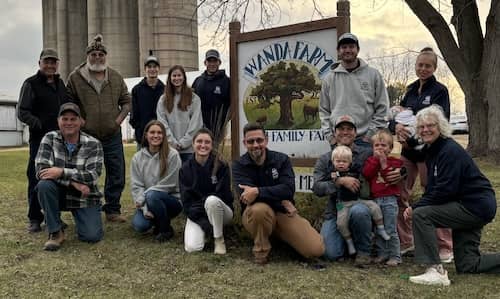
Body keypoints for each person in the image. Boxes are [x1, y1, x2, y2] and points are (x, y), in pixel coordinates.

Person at [404, 105, 500, 286]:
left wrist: (415, 206)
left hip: (474, 206)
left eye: (430, 125)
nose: (426, 130)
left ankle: (435, 270)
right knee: (467, 264)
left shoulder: (449, 150)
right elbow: (434, 188)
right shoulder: (434, 150)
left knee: (421, 214)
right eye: (422, 127)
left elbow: (445, 190)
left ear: (441, 126)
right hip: (473, 206)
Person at [312, 115, 401, 266]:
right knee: (330, 253)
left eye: (349, 129)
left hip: (362, 205)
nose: (345, 132)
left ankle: (363, 252)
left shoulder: (366, 153)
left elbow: (387, 156)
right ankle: (350, 242)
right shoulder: (326, 159)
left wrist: (401, 171)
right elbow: (317, 187)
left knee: (359, 211)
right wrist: (339, 182)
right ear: (334, 133)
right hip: (337, 210)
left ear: (355, 133)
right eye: (341, 129)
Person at [390, 47, 453, 261]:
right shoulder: (409, 90)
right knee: (399, 194)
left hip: (429, 153)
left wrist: (410, 119)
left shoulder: (440, 91)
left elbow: (438, 120)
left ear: (434, 68)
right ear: (416, 66)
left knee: (434, 194)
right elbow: (398, 116)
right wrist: (396, 127)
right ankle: (407, 241)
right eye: (420, 65)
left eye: (428, 65)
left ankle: (444, 246)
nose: (423, 69)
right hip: (408, 153)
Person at [232, 123, 325, 265]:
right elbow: (246, 197)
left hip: (282, 213)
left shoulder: (282, 160)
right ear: (245, 143)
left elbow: (288, 189)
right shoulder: (239, 165)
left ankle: (278, 237)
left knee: (315, 249)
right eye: (250, 141)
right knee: (259, 210)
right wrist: (281, 200)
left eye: (259, 140)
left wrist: (257, 191)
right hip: (256, 215)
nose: (256, 145)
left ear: (266, 140)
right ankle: (261, 252)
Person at [66, 34, 131, 223]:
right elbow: (69, 102)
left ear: (105, 56)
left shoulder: (116, 77)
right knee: (85, 171)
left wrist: (118, 120)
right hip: (86, 136)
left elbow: (126, 101)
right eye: (93, 54)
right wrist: (80, 121)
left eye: (100, 54)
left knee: (116, 171)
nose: (97, 57)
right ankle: (86, 206)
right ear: (88, 56)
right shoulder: (76, 77)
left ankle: (112, 209)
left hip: (112, 134)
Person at [35, 103, 104, 251]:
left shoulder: (94, 144)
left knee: (92, 236)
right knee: (44, 185)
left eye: (73, 119)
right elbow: (41, 170)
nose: (69, 123)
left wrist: (61, 172)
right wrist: (74, 183)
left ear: (81, 122)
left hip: (84, 196)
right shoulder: (49, 138)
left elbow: (92, 175)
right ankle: (55, 232)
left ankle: (84, 218)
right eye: (64, 118)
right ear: (58, 121)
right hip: (59, 193)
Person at [17, 48, 70, 233]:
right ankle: (34, 218)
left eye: (53, 62)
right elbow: (22, 111)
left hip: (59, 141)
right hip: (39, 141)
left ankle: (52, 217)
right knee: (35, 177)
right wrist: (38, 124)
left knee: (55, 178)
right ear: (39, 63)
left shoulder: (61, 84)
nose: (50, 65)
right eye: (46, 61)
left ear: (57, 64)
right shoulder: (30, 84)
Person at [319, 33, 389, 148]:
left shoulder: (373, 75)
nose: (347, 50)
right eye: (344, 47)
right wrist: (331, 138)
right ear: (338, 51)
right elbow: (324, 111)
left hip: (365, 140)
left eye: (351, 47)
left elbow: (383, 108)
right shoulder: (329, 79)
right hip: (339, 140)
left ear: (358, 49)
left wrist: (370, 135)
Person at [180, 128, 233, 254]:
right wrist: (204, 224)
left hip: (222, 210)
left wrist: (203, 203)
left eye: (207, 142)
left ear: (212, 145)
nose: (203, 145)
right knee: (192, 248)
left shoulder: (221, 165)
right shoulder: (185, 169)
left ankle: (219, 239)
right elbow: (187, 202)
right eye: (199, 141)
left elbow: (223, 195)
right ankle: (208, 230)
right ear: (193, 144)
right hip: (197, 214)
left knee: (212, 201)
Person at [331, 145, 390, 256]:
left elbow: (365, 170)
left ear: (350, 162)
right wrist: (340, 180)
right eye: (337, 161)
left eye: (344, 161)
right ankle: (349, 243)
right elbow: (331, 181)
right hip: (343, 204)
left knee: (374, 207)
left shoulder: (355, 169)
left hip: (359, 200)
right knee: (341, 223)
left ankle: (381, 228)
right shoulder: (335, 173)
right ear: (333, 161)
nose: (341, 164)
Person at [130, 120, 182, 242]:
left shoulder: (173, 155)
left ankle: (165, 230)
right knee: (140, 226)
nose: (156, 135)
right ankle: (159, 220)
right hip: (148, 202)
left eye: (159, 132)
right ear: (146, 135)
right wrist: (145, 208)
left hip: (172, 201)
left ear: (164, 135)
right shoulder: (137, 158)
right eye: (152, 132)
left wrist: (145, 196)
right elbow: (136, 186)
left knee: (152, 195)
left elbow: (170, 184)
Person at [362, 129, 403, 266]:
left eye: (383, 145)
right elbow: (367, 174)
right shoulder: (370, 161)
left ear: (390, 148)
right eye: (377, 145)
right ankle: (382, 253)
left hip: (389, 200)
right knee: (379, 228)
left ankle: (395, 255)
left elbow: (390, 177)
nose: (380, 148)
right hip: (376, 200)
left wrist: (384, 163)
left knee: (390, 228)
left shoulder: (395, 162)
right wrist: (375, 160)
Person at [156, 65, 203, 162]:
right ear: (170, 78)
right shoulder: (163, 100)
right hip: (170, 149)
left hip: (189, 150)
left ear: (184, 77)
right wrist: (172, 142)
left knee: (188, 177)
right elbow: (162, 123)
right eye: (174, 76)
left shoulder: (194, 98)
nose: (177, 78)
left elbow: (196, 124)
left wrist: (183, 143)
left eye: (179, 75)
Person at [192, 49, 231, 147]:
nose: (212, 64)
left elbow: (231, 105)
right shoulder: (198, 81)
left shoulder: (227, 81)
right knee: (200, 150)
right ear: (205, 63)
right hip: (199, 126)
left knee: (214, 153)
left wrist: (223, 122)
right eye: (210, 61)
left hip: (218, 128)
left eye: (215, 61)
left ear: (219, 62)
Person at [129, 50, 165, 149]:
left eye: (155, 66)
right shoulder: (137, 89)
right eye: (149, 67)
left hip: (161, 136)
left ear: (159, 69)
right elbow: (133, 114)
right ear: (145, 69)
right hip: (143, 137)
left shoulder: (165, 89)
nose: (152, 69)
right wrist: (139, 129)